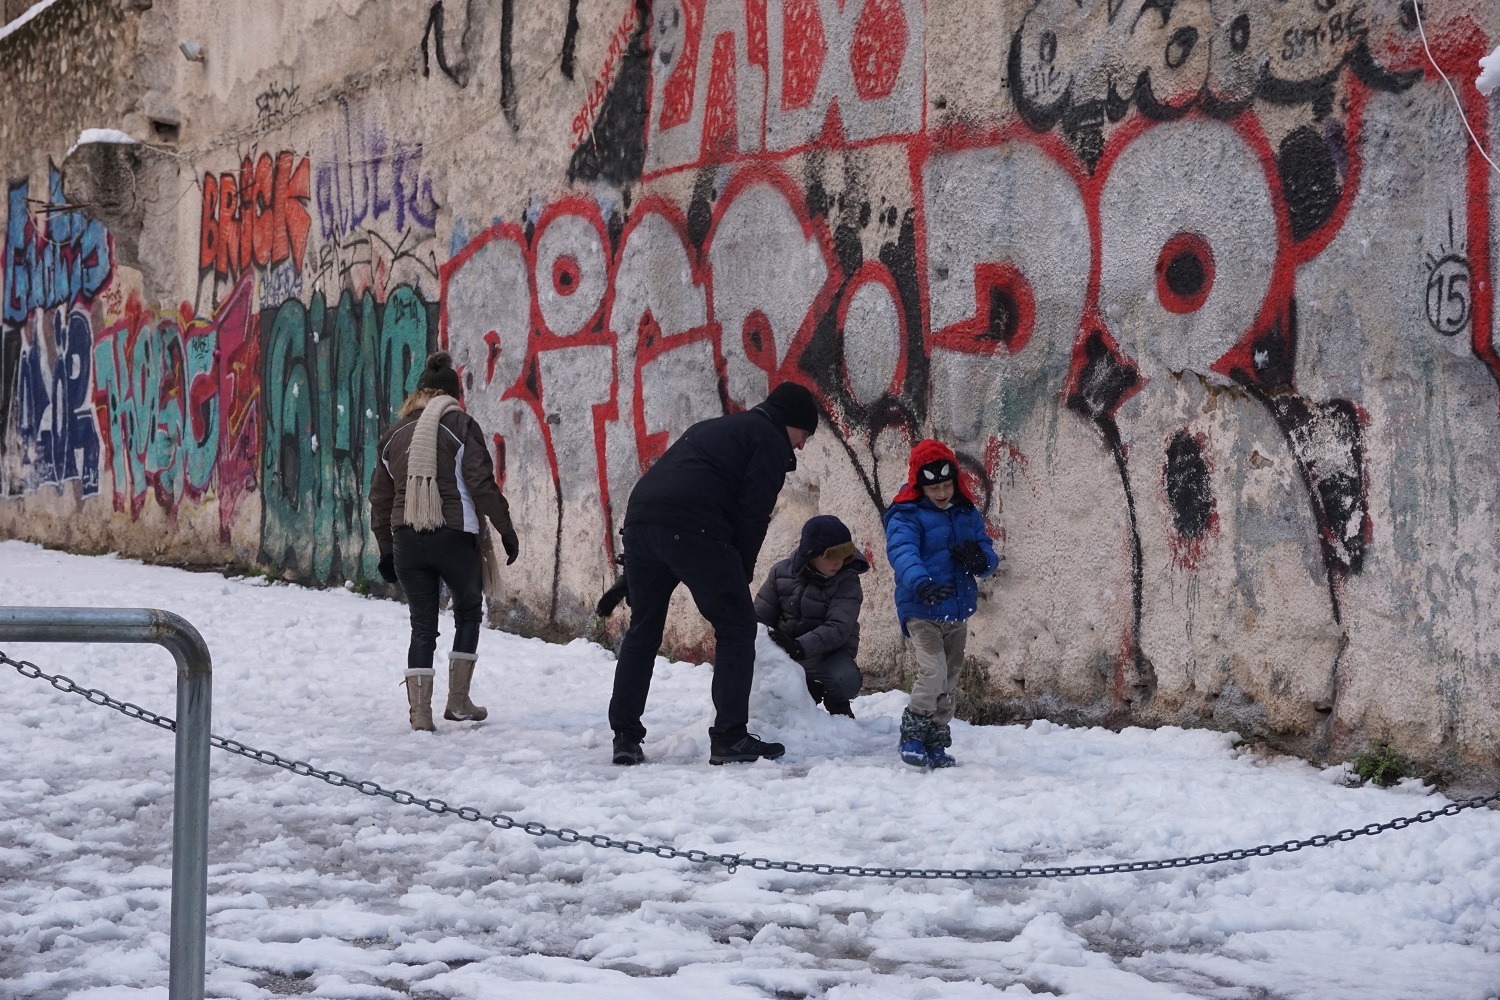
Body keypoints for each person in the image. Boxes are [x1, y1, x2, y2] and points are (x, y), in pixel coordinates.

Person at [607, 382, 820, 766]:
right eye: (804, 434)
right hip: (694, 528)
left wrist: (632, 574)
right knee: (737, 627)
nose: (801, 446)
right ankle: (730, 737)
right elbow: (751, 515)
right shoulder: (769, 441)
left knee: (643, 629)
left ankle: (625, 736)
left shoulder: (716, 428)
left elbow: (669, 489)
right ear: (790, 422)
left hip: (640, 521)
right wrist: (740, 575)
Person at [369, 351, 520, 732]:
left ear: (418, 392)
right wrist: (505, 529)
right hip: (454, 536)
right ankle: (458, 701)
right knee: (468, 610)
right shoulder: (460, 425)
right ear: (453, 395)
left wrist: (386, 548)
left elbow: (380, 499)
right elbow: (481, 485)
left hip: (407, 539)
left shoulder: (393, 434)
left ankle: (420, 714)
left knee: (422, 624)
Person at [882, 439, 1000, 768]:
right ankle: (913, 734)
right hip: (921, 607)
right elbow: (903, 553)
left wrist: (982, 561)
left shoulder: (965, 512)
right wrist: (921, 582)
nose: (942, 493)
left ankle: (936, 738)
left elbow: (987, 548)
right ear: (920, 484)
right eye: (934, 487)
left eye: (947, 485)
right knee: (933, 672)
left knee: (949, 678)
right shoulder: (906, 514)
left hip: (955, 609)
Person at [754, 514, 867, 718]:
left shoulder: (847, 581)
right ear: (810, 555)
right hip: (785, 649)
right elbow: (761, 616)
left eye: (843, 556)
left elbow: (838, 627)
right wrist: (768, 644)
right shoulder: (781, 572)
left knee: (846, 680)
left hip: (828, 654)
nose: (838, 563)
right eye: (830, 557)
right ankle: (804, 691)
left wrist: (799, 646)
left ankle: (836, 700)